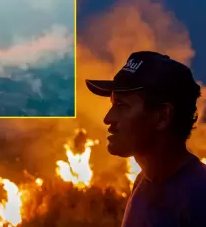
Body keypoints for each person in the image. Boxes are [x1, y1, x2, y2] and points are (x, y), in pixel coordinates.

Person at [85, 51, 206, 227]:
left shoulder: (199, 197)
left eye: (122, 106)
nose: (108, 118)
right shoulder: (144, 182)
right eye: (112, 105)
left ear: (163, 117)